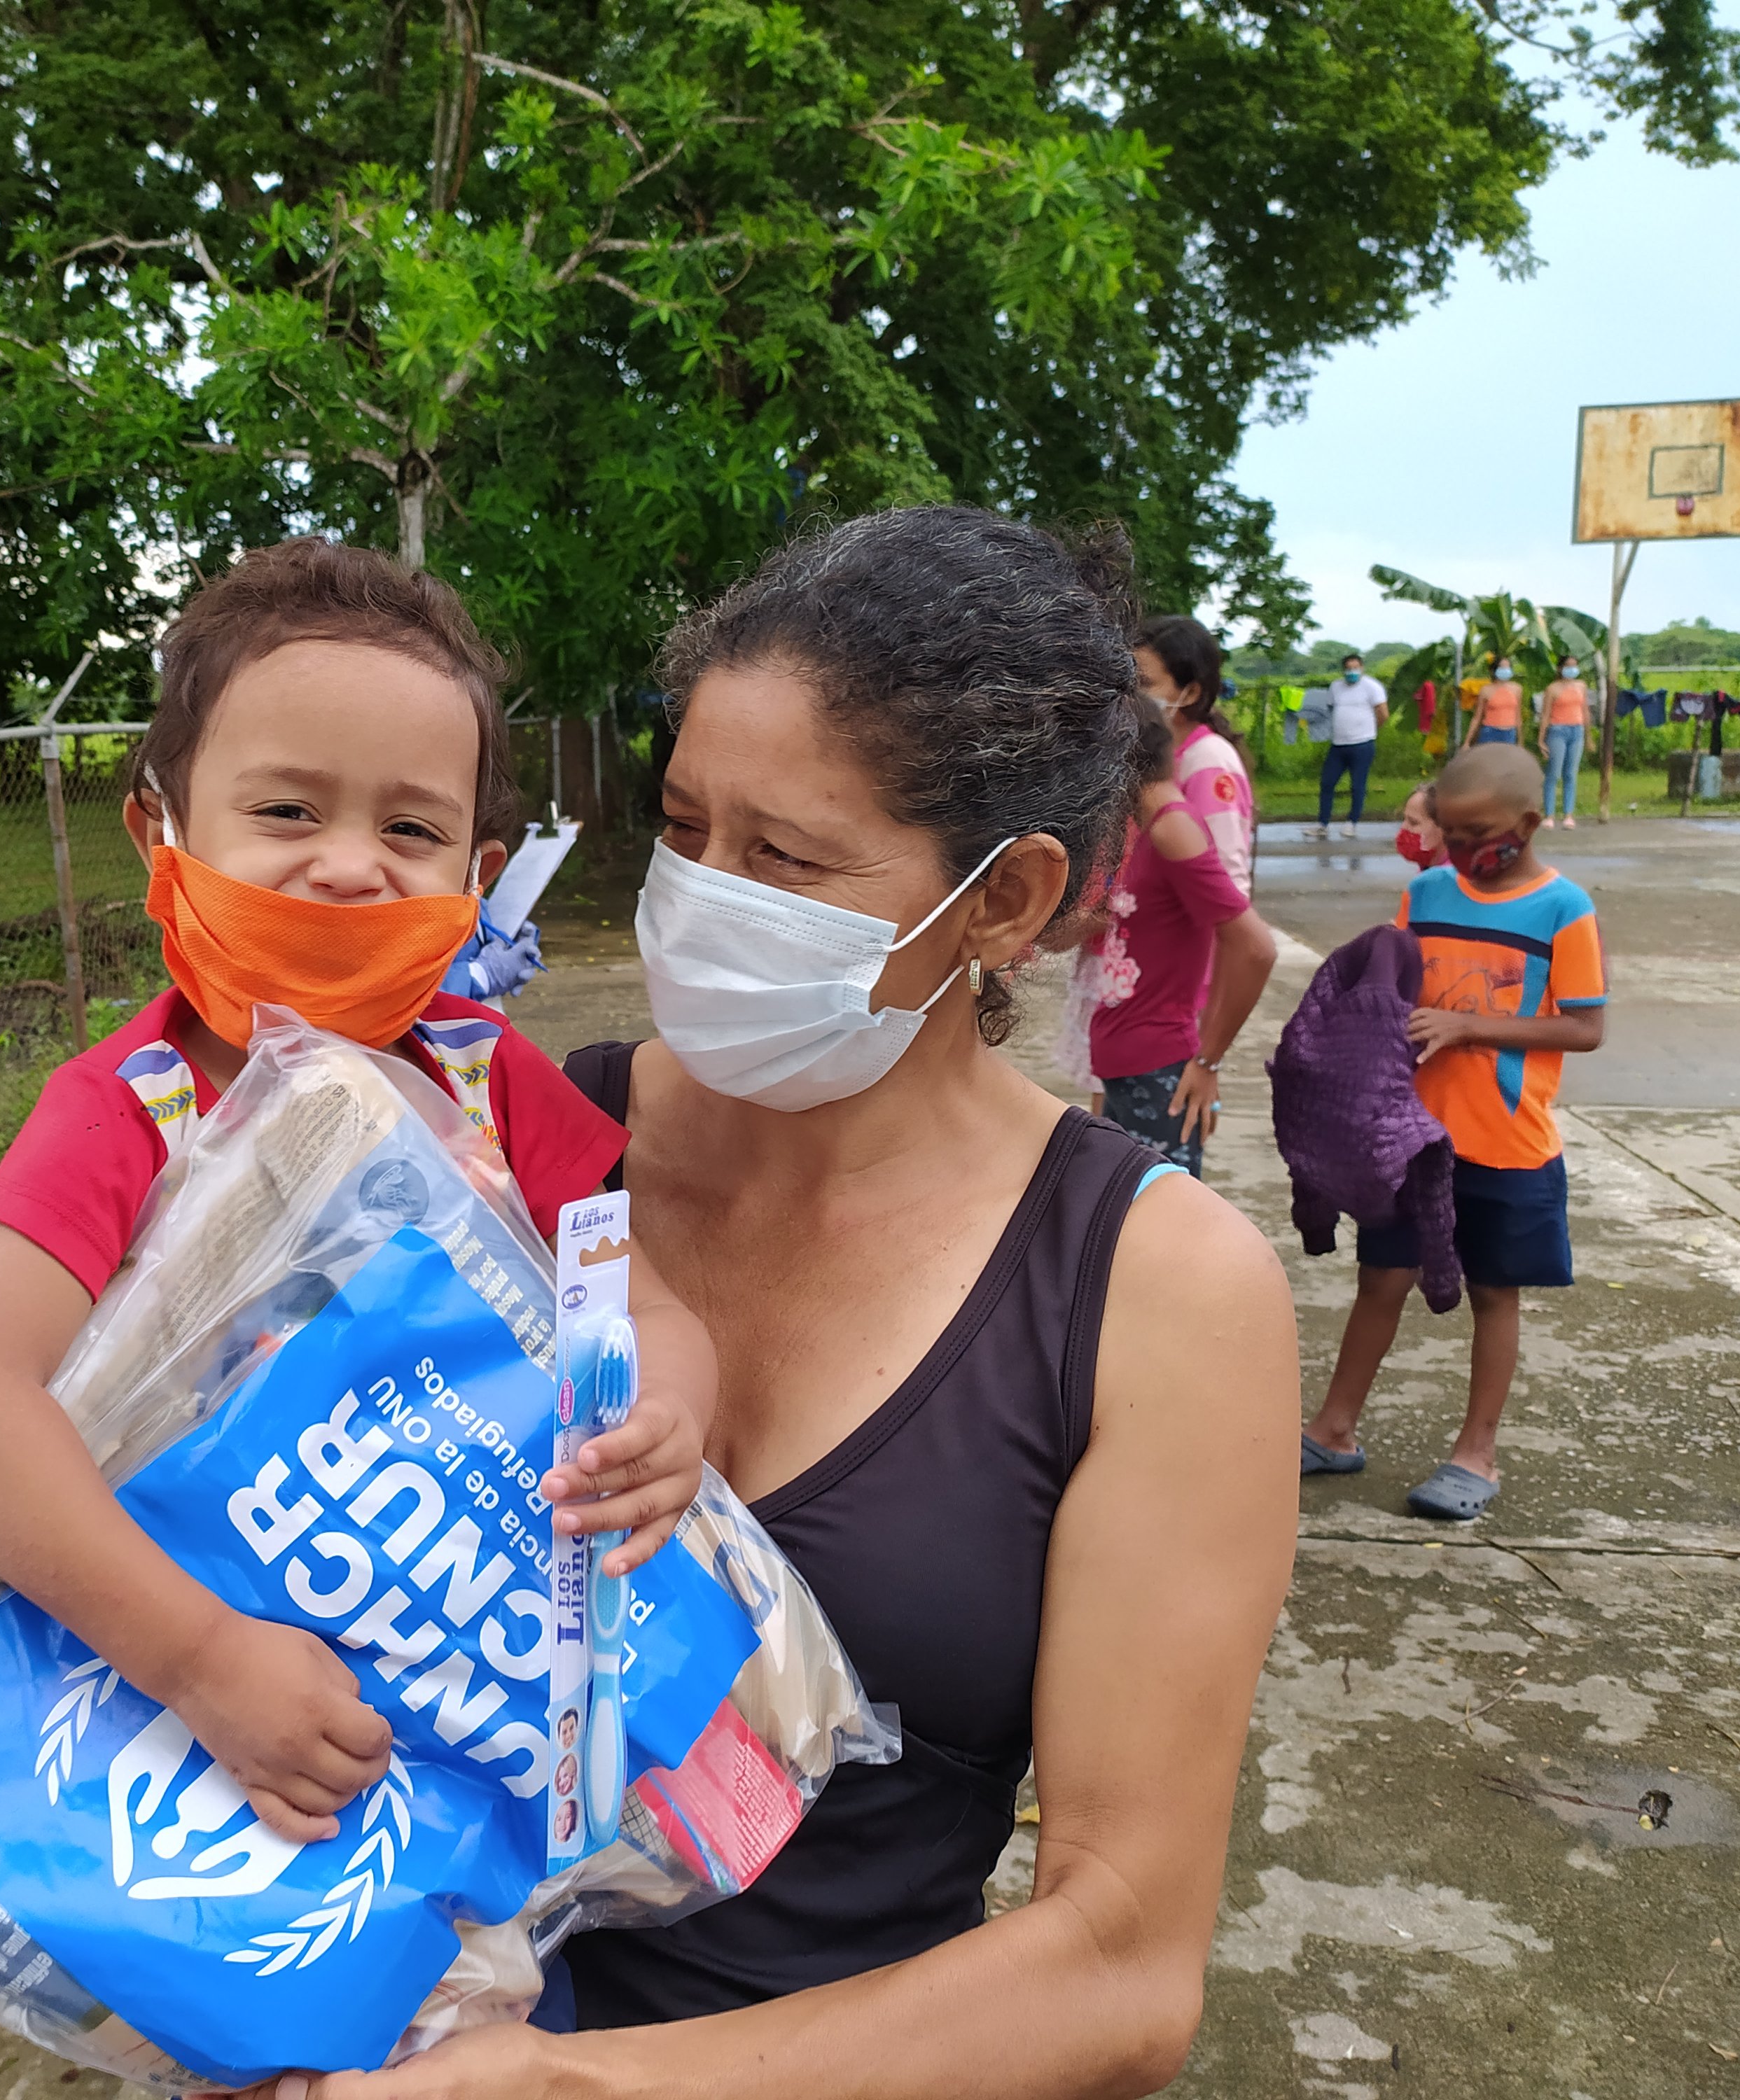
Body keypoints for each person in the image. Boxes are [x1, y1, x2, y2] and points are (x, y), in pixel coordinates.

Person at [277, 508, 1299, 2100]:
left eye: (782, 856)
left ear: (1004, 899)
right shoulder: (509, 1140)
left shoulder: (1150, 1291)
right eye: (684, 826)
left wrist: (571, 2089)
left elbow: (1120, 1956)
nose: (698, 891)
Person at [0, 538, 719, 1849]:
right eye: (288, 812)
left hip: (466, 1653)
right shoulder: (126, 1110)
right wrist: (199, 1662)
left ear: (476, 869)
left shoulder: (490, 1078)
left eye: (411, 829)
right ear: (157, 829)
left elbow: (646, 1309)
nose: (350, 867)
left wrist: (665, 1414)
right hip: (209, 1697)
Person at [1300, 743, 1606, 1522]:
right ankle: (1333, 1429)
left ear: (1527, 824)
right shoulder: (1429, 891)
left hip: (1503, 1142)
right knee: (1381, 1279)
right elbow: (1398, 981)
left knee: (1492, 1293)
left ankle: (1477, 1453)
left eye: (1479, 833)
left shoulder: (1561, 909)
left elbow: (1584, 1029)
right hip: (1410, 1133)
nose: (1464, 850)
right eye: (1452, 832)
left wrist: (1470, 1025)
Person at [1085, 703, 1280, 1175]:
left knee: (1158, 1224)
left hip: (1159, 1067)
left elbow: (1255, 946)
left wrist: (1208, 1060)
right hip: (1127, 1061)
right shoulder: (1143, 827)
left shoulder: (1174, 828)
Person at [1132, 614, 1255, 895]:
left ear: (1190, 693)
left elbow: (1226, 880)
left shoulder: (1208, 762)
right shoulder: (1149, 753)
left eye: (1144, 684)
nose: (1131, 696)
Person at [1313, 650, 1389, 839]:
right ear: (1343, 670)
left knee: (1357, 785)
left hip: (1362, 744)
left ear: (1362, 668)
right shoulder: (1336, 687)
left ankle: (1352, 823)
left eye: (1355, 668)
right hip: (1339, 745)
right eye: (1348, 669)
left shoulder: (1372, 687)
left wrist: (1371, 729)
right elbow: (1331, 710)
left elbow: (1383, 713)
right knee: (1327, 783)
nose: (1352, 672)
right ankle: (1323, 823)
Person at [1538, 653, 1592, 827]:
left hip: (1577, 730)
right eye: (1568, 666)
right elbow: (1545, 715)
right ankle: (1549, 815)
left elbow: (1585, 712)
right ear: (1560, 669)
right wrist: (1542, 739)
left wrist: (1589, 737)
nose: (1571, 669)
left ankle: (1568, 814)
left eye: (1574, 666)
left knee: (1571, 774)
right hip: (1557, 731)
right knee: (1553, 774)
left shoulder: (1581, 686)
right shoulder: (1553, 688)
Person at [1466, 658, 1526, 748]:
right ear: (1495, 670)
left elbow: (1518, 717)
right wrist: (1467, 742)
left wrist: (1520, 742)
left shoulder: (1517, 689)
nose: (1506, 670)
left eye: (1508, 667)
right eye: (1502, 667)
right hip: (1490, 732)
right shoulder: (1485, 690)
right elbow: (1477, 718)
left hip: (1509, 733)